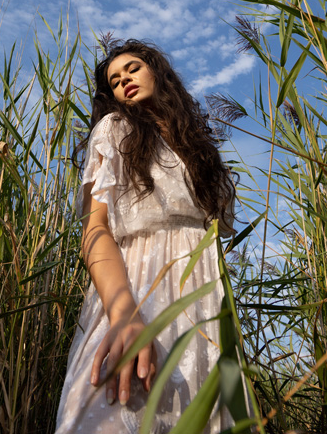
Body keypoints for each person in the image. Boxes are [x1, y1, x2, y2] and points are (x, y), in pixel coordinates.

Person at [55, 39, 238, 434]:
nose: (124, 81)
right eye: (115, 80)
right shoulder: (115, 129)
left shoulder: (199, 152)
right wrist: (123, 315)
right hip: (135, 290)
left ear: (158, 71)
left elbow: (214, 237)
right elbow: (95, 228)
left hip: (202, 299)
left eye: (132, 69)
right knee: (118, 411)